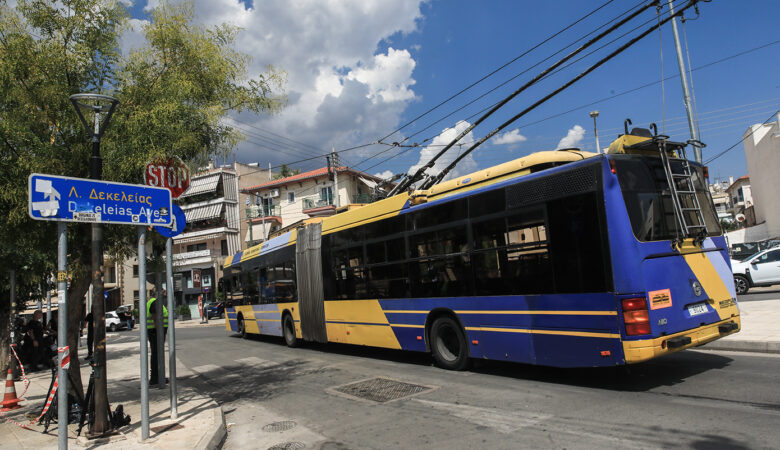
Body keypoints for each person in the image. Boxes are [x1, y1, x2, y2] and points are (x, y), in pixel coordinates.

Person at [147, 292, 169, 384]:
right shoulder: (155, 302)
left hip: (154, 332)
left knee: (156, 354)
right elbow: (155, 317)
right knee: (157, 355)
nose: (165, 293)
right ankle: (156, 378)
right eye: (163, 291)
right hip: (155, 332)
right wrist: (159, 332)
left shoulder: (152, 302)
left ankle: (156, 377)